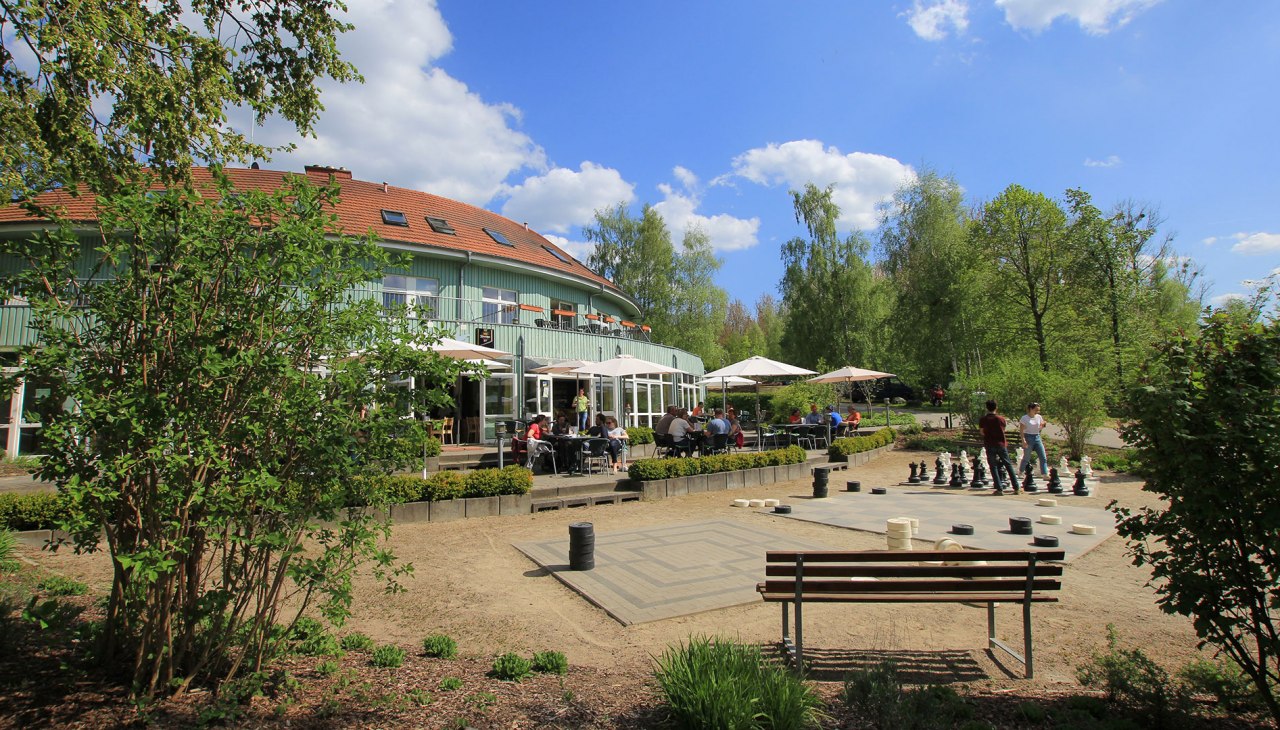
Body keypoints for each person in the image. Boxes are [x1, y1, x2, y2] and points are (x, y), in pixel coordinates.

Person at [979, 400, 1019, 495]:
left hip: (989, 444)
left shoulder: (983, 419)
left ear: (986, 408)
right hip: (1001, 444)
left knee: (993, 467)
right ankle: (1016, 487)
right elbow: (1003, 430)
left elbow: (982, 432)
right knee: (1008, 465)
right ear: (996, 407)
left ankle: (999, 489)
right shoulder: (1001, 419)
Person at [1019, 402, 1049, 477]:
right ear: (1030, 409)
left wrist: (1043, 425)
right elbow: (1021, 430)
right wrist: (1023, 440)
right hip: (1028, 437)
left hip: (1037, 437)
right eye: (1036, 410)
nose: (1037, 412)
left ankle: (1045, 474)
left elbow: (1040, 428)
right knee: (1027, 457)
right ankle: (1021, 471)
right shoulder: (1024, 418)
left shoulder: (1039, 417)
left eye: (1038, 410)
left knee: (1043, 456)